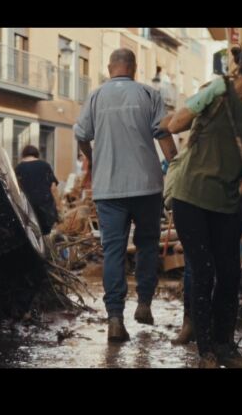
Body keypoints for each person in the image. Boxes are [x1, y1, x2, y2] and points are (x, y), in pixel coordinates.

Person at [162, 41, 242, 367]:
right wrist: (206, 95)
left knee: (230, 274)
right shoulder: (215, 92)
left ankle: (227, 347)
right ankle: (207, 352)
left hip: (230, 200)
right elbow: (173, 125)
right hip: (191, 197)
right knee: (203, 271)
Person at [74, 48, 177, 343]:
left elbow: (81, 134)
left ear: (110, 68)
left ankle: (115, 319)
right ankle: (144, 304)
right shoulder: (148, 94)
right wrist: (176, 166)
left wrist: (93, 158)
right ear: (134, 68)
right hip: (147, 186)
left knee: (114, 252)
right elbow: (164, 135)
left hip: (109, 190)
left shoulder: (95, 96)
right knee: (147, 246)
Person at [14, 145, 59, 235]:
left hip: (27, 206)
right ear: (36, 154)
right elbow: (53, 187)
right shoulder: (45, 165)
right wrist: (56, 207)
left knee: (30, 234)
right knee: (45, 234)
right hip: (44, 206)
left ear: (23, 154)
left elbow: (16, 189)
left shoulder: (18, 168)